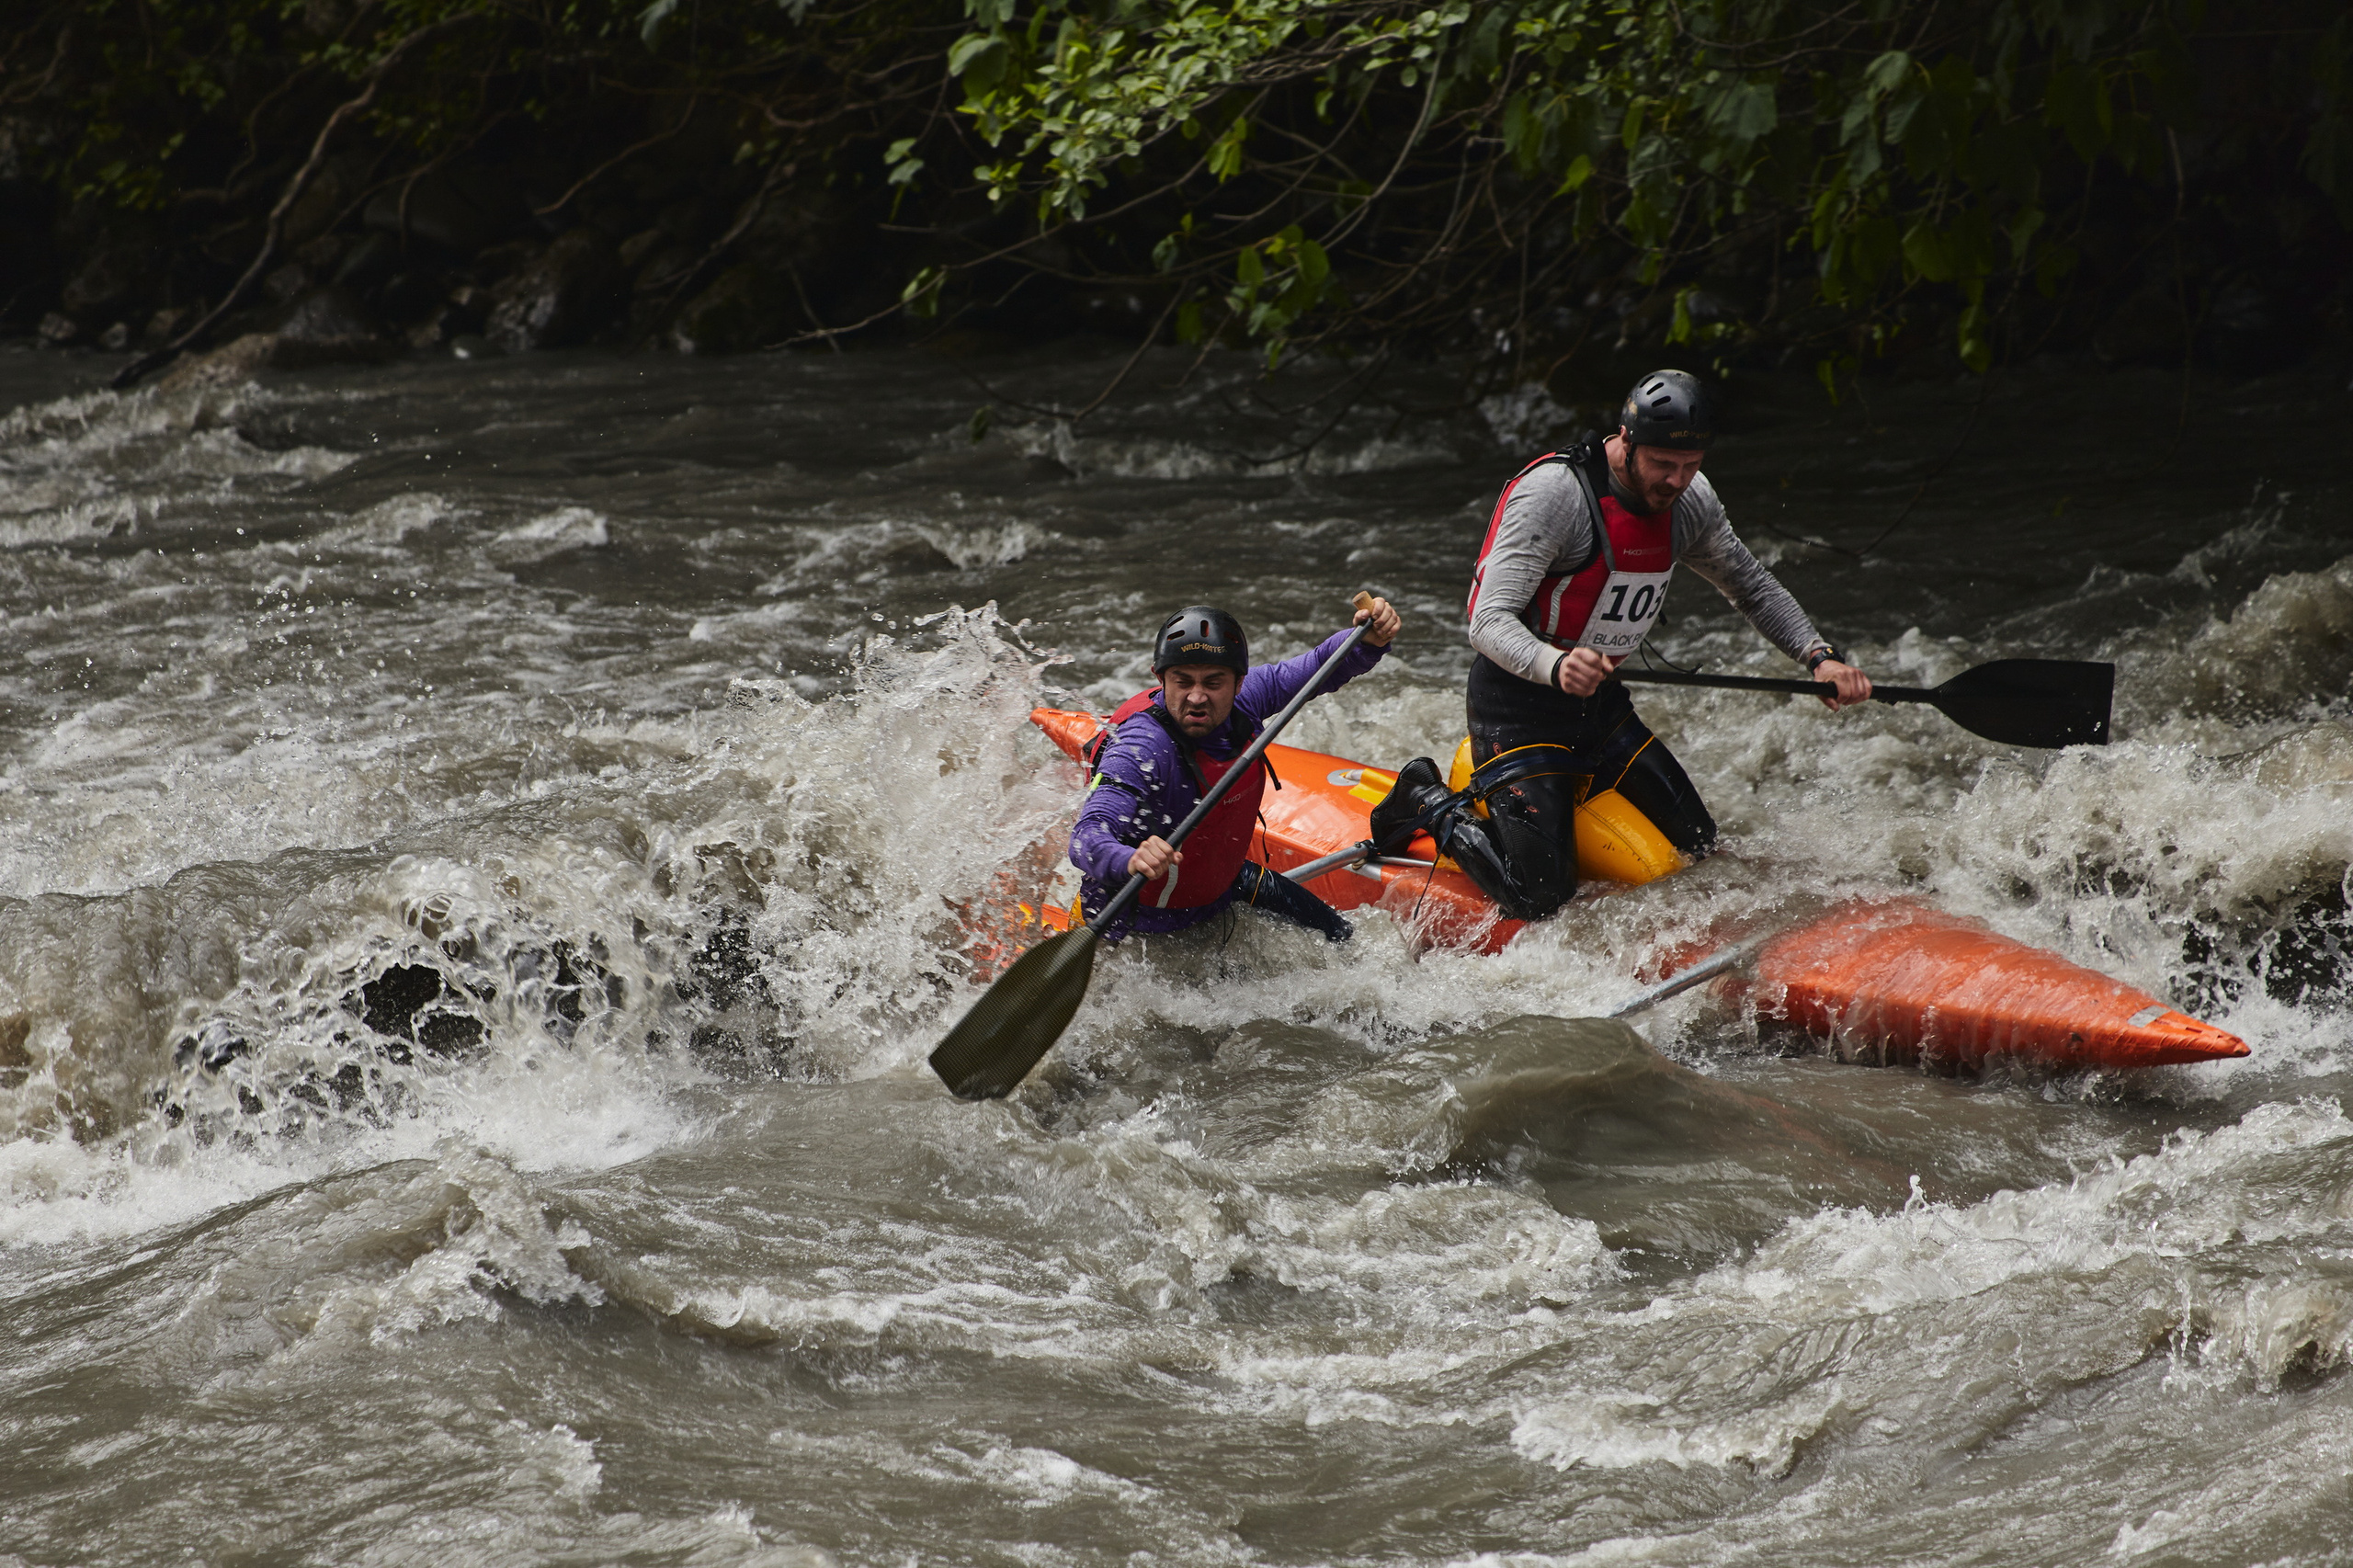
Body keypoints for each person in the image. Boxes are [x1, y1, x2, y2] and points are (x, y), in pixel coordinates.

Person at [1370, 369, 1870, 921]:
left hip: (1600, 708)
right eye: (1662, 464)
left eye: (1691, 465)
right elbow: (1486, 620)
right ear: (1625, 442)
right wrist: (1555, 664)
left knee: (1700, 852)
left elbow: (1750, 585)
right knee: (1540, 898)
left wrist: (1818, 656)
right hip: (1516, 711)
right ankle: (1426, 797)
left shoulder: (1691, 502)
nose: (1676, 481)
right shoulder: (1556, 496)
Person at [1069, 597, 1402, 941]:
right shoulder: (1141, 748)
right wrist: (1129, 858)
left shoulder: (1246, 700)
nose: (1197, 697)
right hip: (1131, 924)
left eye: (1213, 683)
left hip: (1220, 889)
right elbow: (1086, 836)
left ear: (1239, 682)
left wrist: (1365, 641)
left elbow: (1319, 665)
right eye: (1183, 681)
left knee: (1343, 939)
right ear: (1161, 678)